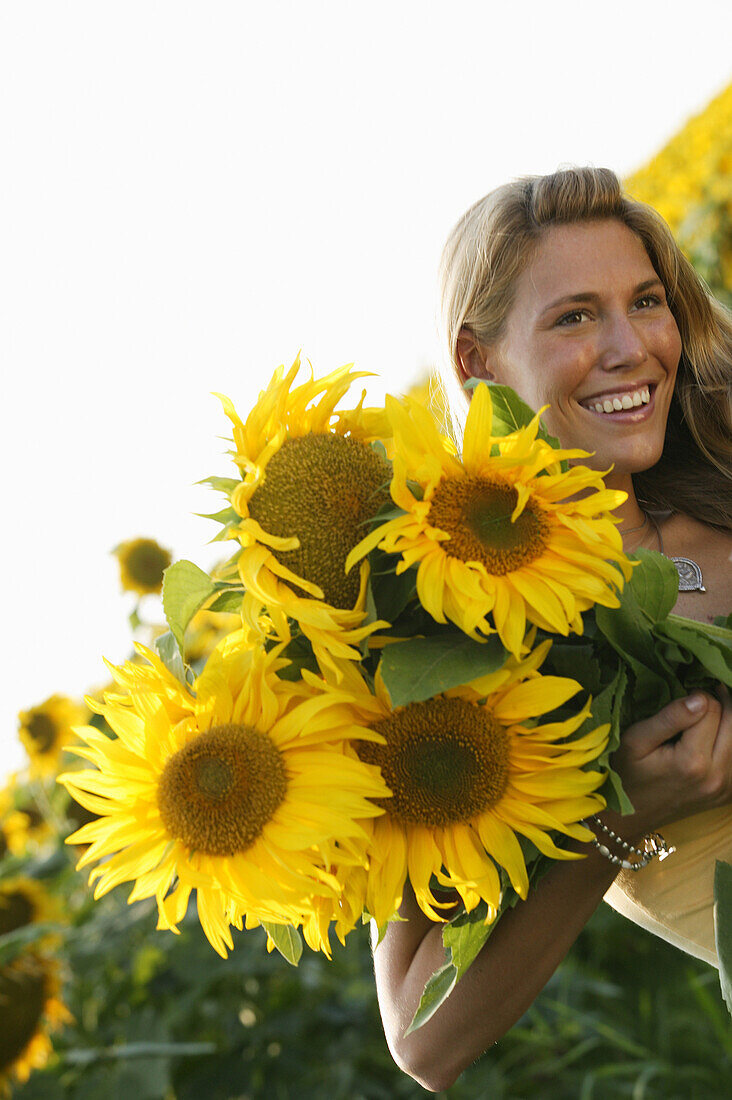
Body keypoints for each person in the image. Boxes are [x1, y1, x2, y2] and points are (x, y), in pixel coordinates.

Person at [372, 167, 732, 1093]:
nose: (630, 347)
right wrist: (615, 823)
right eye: (574, 317)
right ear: (478, 361)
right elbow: (422, 1037)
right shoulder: (465, 648)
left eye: (646, 302)